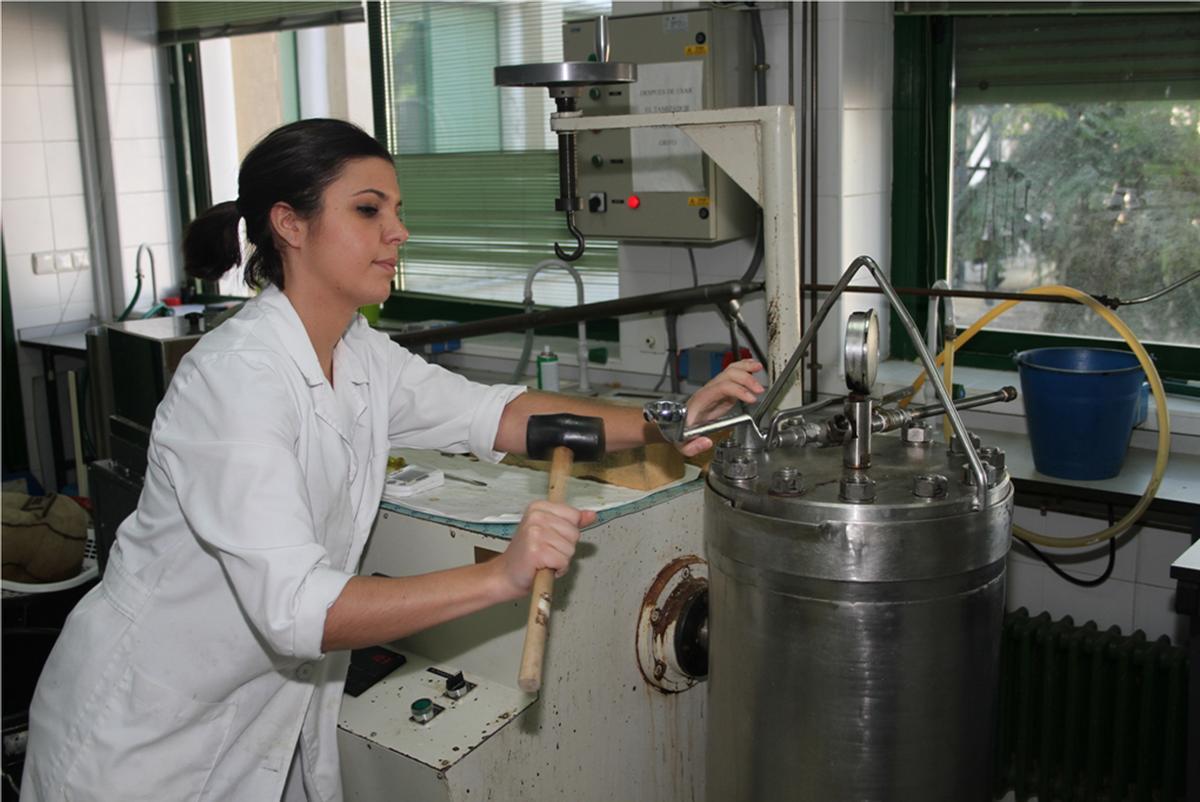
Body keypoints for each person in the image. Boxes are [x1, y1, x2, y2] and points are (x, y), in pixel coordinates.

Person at [19, 118, 763, 802]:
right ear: (290, 224)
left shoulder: (358, 351)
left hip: (249, 726)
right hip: (139, 742)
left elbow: (499, 416)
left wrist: (666, 422)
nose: (398, 231)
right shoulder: (236, 381)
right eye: (368, 210)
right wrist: (498, 576)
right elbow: (299, 610)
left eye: (397, 210)